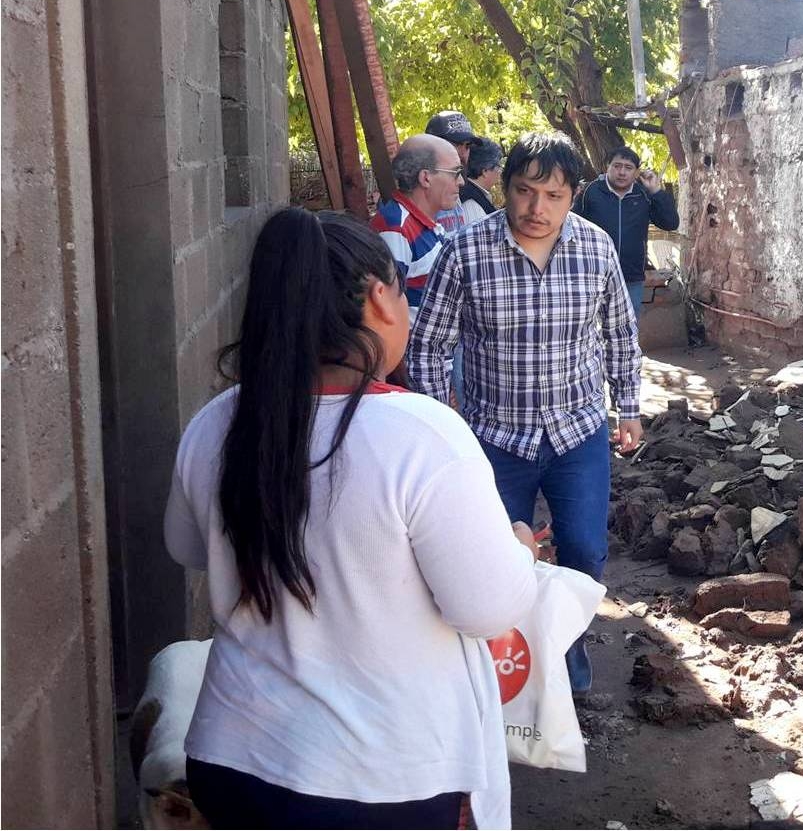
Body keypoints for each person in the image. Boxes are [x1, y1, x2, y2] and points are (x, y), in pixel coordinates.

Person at [164, 208, 538, 830]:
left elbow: (187, 546)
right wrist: (520, 552)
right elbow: (488, 609)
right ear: (380, 298)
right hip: (380, 780)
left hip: (233, 759)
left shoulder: (219, 421)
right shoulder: (423, 436)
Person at [407, 132, 642, 694]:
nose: (537, 208)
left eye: (553, 195)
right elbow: (428, 347)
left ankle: (565, 654)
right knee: (490, 563)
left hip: (577, 433)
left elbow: (619, 334)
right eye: (524, 191)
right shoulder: (465, 251)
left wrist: (629, 408)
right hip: (493, 439)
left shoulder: (596, 249)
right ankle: (500, 675)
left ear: (574, 195)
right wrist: (446, 425)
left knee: (584, 550)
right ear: (505, 188)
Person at [572, 146, 679, 323]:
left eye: (628, 168)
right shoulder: (590, 192)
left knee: (628, 326)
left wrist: (656, 191)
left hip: (631, 277)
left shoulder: (643, 195)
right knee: (589, 325)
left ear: (636, 172)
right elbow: (570, 227)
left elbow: (670, 223)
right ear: (607, 166)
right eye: (617, 166)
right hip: (593, 275)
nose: (622, 172)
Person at [368, 133, 464, 321]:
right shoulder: (396, 230)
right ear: (426, 178)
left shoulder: (420, 222)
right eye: (455, 173)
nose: (461, 181)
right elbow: (383, 310)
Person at [459, 136, 504, 225]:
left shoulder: (470, 192)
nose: (500, 171)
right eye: (498, 166)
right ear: (485, 171)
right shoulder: (471, 203)